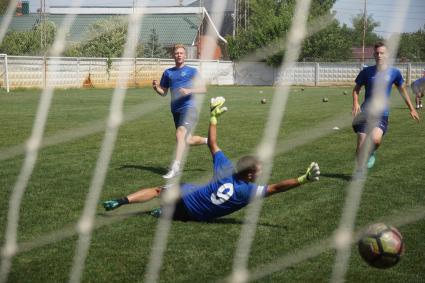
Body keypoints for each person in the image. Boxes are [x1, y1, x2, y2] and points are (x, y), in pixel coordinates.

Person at [103, 97, 320, 222]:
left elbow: (212, 143)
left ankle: (121, 201)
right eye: (260, 169)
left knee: (160, 190)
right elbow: (276, 188)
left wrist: (214, 117)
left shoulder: (225, 167)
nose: (262, 171)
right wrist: (303, 179)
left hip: (188, 195)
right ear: (250, 173)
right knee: (169, 210)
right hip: (192, 214)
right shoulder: (247, 191)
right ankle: (163, 212)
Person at [351, 42, 420, 170]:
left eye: (382, 53)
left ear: (387, 55)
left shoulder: (394, 73)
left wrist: (412, 108)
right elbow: (356, 89)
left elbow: (402, 90)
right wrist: (355, 102)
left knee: (376, 140)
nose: (379, 55)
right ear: (374, 55)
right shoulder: (366, 72)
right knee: (361, 145)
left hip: (382, 114)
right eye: (377, 53)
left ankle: (371, 152)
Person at [152, 44, 207, 179]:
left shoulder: (192, 71)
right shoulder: (168, 73)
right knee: (186, 139)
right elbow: (163, 92)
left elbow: (203, 89)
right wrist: (156, 88)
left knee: (180, 134)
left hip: (189, 107)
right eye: (177, 53)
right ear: (173, 56)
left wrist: (189, 91)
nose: (179, 55)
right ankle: (208, 140)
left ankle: (175, 166)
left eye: (181, 53)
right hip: (175, 110)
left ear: (185, 56)